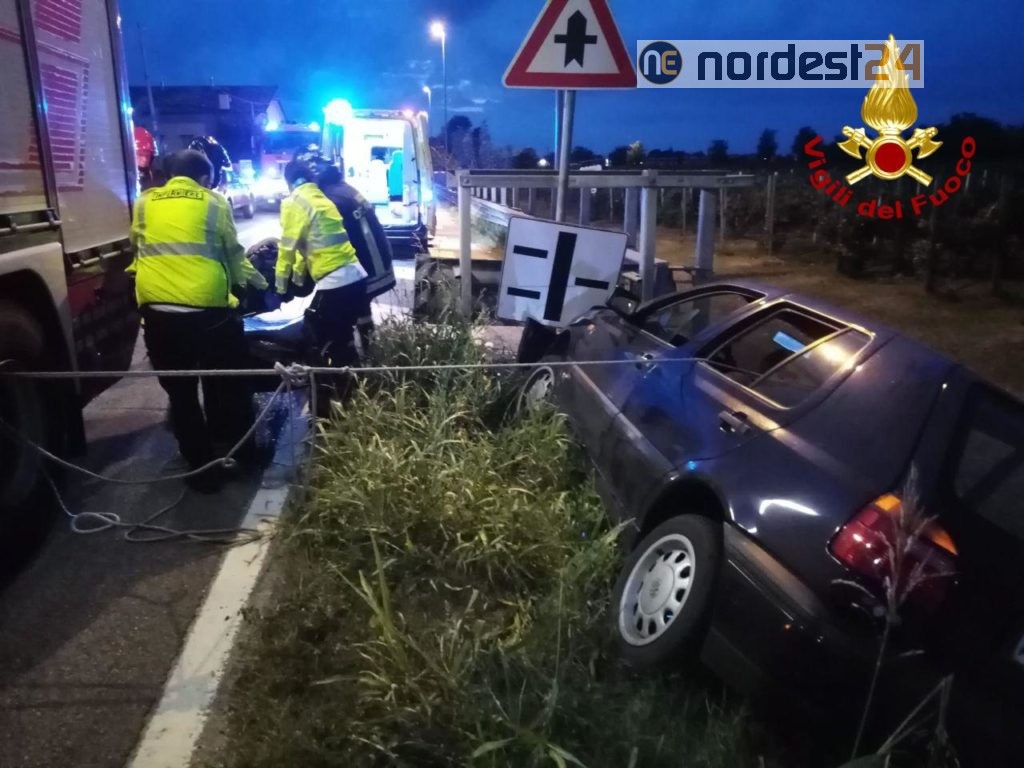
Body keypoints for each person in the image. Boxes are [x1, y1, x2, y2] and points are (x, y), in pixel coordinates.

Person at [128, 149, 268, 492]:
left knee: (181, 394)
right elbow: (233, 256)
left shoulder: (144, 202)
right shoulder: (214, 202)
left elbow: (138, 248)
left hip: (157, 313)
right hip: (208, 312)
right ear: (205, 178)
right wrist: (259, 286)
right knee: (231, 384)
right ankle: (245, 454)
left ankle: (201, 470)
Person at [276, 155, 368, 368]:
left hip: (336, 283)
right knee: (342, 340)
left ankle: (327, 387)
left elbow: (287, 249)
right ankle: (353, 383)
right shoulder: (322, 199)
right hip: (356, 278)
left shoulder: (293, 202)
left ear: (289, 181)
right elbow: (305, 251)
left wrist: (280, 288)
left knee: (317, 337)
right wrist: (298, 280)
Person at [316, 158, 396, 351]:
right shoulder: (345, 190)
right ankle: (369, 351)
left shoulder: (332, 199)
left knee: (337, 312)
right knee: (361, 309)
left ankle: (349, 354)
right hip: (378, 260)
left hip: (368, 265)